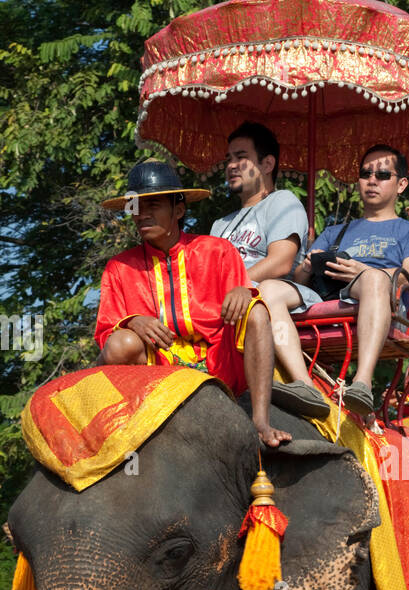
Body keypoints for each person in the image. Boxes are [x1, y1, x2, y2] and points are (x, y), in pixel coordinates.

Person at [96, 160, 291, 448]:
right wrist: (132, 321)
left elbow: (246, 306)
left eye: (153, 205)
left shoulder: (218, 251)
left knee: (258, 312)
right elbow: (104, 335)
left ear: (179, 209)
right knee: (119, 343)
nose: (142, 214)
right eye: (136, 206)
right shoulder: (118, 267)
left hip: (220, 363)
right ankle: (128, 426)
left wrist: (244, 292)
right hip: (156, 371)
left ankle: (260, 421)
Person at [291, 144, 409, 418]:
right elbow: (298, 278)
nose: (371, 180)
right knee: (271, 290)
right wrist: (310, 264)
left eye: (382, 175)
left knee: (376, 280)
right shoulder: (335, 231)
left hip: (383, 300)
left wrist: (363, 271)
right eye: (365, 173)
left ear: (401, 184)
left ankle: (362, 383)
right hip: (331, 299)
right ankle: (299, 382)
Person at [210, 121, 328, 418]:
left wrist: (237, 286)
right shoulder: (219, 225)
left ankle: (304, 385)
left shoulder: (283, 202)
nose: (231, 165)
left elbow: (281, 261)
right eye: (228, 159)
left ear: (267, 163)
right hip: (230, 305)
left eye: (240, 157)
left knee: (264, 291)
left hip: (278, 293)